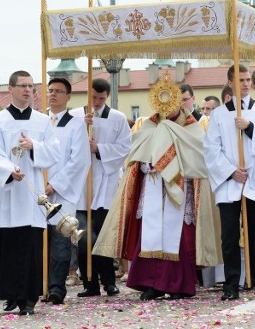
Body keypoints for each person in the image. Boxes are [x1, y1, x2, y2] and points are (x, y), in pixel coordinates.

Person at [94, 75, 221, 300]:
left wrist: (173, 165)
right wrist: (147, 164)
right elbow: (137, 156)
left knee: (177, 237)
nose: (167, 109)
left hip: (180, 189)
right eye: (162, 105)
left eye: (171, 104)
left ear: (179, 103)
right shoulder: (149, 125)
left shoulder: (192, 127)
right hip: (153, 186)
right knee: (150, 235)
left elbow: (198, 159)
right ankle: (150, 284)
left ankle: (178, 285)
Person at [0, 70, 61, 316]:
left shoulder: (41, 121)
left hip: (31, 193)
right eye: (23, 86)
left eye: (31, 86)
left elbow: (54, 152)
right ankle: (8, 296)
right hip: (6, 192)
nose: (28, 90)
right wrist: (9, 169)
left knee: (30, 247)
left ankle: (28, 298)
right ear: (11, 88)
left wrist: (34, 146)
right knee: (6, 245)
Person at [204, 64, 255, 301]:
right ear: (230, 82)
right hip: (230, 181)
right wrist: (232, 171)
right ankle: (231, 283)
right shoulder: (220, 114)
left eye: (247, 80)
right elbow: (211, 149)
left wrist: (250, 127)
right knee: (230, 236)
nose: (245, 84)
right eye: (240, 80)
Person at [70, 78, 130, 298]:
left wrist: (99, 148)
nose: (96, 102)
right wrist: (80, 127)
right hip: (81, 185)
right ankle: (89, 283)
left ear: (107, 97)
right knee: (84, 237)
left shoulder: (118, 118)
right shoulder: (76, 116)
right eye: (93, 97)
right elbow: (65, 144)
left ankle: (109, 281)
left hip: (104, 184)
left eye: (101, 99)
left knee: (103, 237)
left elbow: (125, 147)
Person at [43, 78, 91, 306]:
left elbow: (79, 160)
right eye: (50, 90)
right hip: (37, 191)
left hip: (61, 193)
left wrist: (55, 184)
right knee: (37, 241)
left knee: (60, 242)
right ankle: (38, 284)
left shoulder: (75, 124)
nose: (53, 95)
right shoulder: (39, 122)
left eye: (59, 91)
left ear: (68, 96)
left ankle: (56, 288)